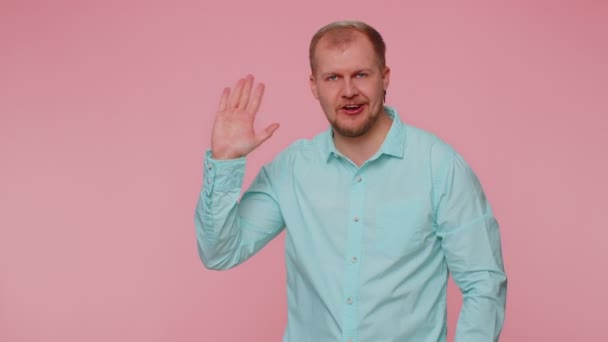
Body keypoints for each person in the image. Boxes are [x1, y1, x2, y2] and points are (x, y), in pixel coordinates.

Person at [195, 20, 507, 342]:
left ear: (384, 78)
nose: (348, 91)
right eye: (333, 78)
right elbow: (220, 252)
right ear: (314, 86)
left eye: (361, 74)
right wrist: (225, 161)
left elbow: (483, 283)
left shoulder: (439, 167)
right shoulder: (291, 169)